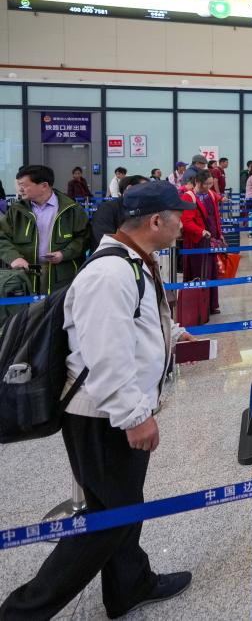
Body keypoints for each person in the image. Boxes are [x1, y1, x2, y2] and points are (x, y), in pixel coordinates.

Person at [0, 181, 196, 620]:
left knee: (120, 505)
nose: (182, 225)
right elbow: (105, 355)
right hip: (102, 415)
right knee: (107, 519)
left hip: (111, 410)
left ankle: (129, 585)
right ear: (156, 221)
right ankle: (22, 611)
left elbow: (129, 327)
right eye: (178, 217)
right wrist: (134, 416)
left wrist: (171, 335)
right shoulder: (110, 273)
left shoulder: (133, 261)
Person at [0, 165, 90, 295]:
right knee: (28, 307)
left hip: (62, 277)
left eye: (24, 185)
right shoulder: (16, 211)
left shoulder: (72, 209)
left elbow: (84, 238)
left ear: (44, 186)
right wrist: (14, 258)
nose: (20, 189)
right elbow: (2, 237)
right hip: (25, 275)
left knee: (58, 307)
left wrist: (64, 254)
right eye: (18, 185)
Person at [180, 171, 223, 315]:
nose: (210, 186)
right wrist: (200, 231)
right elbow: (186, 221)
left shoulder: (210, 194)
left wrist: (220, 234)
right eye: (207, 184)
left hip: (211, 240)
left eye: (211, 183)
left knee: (212, 272)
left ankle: (212, 304)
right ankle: (198, 307)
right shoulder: (188, 197)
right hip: (196, 242)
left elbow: (216, 216)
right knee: (198, 272)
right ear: (198, 182)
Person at [91, 175, 149, 250]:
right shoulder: (107, 208)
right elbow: (104, 238)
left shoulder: (145, 209)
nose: (148, 193)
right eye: (145, 189)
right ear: (129, 188)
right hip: (112, 254)